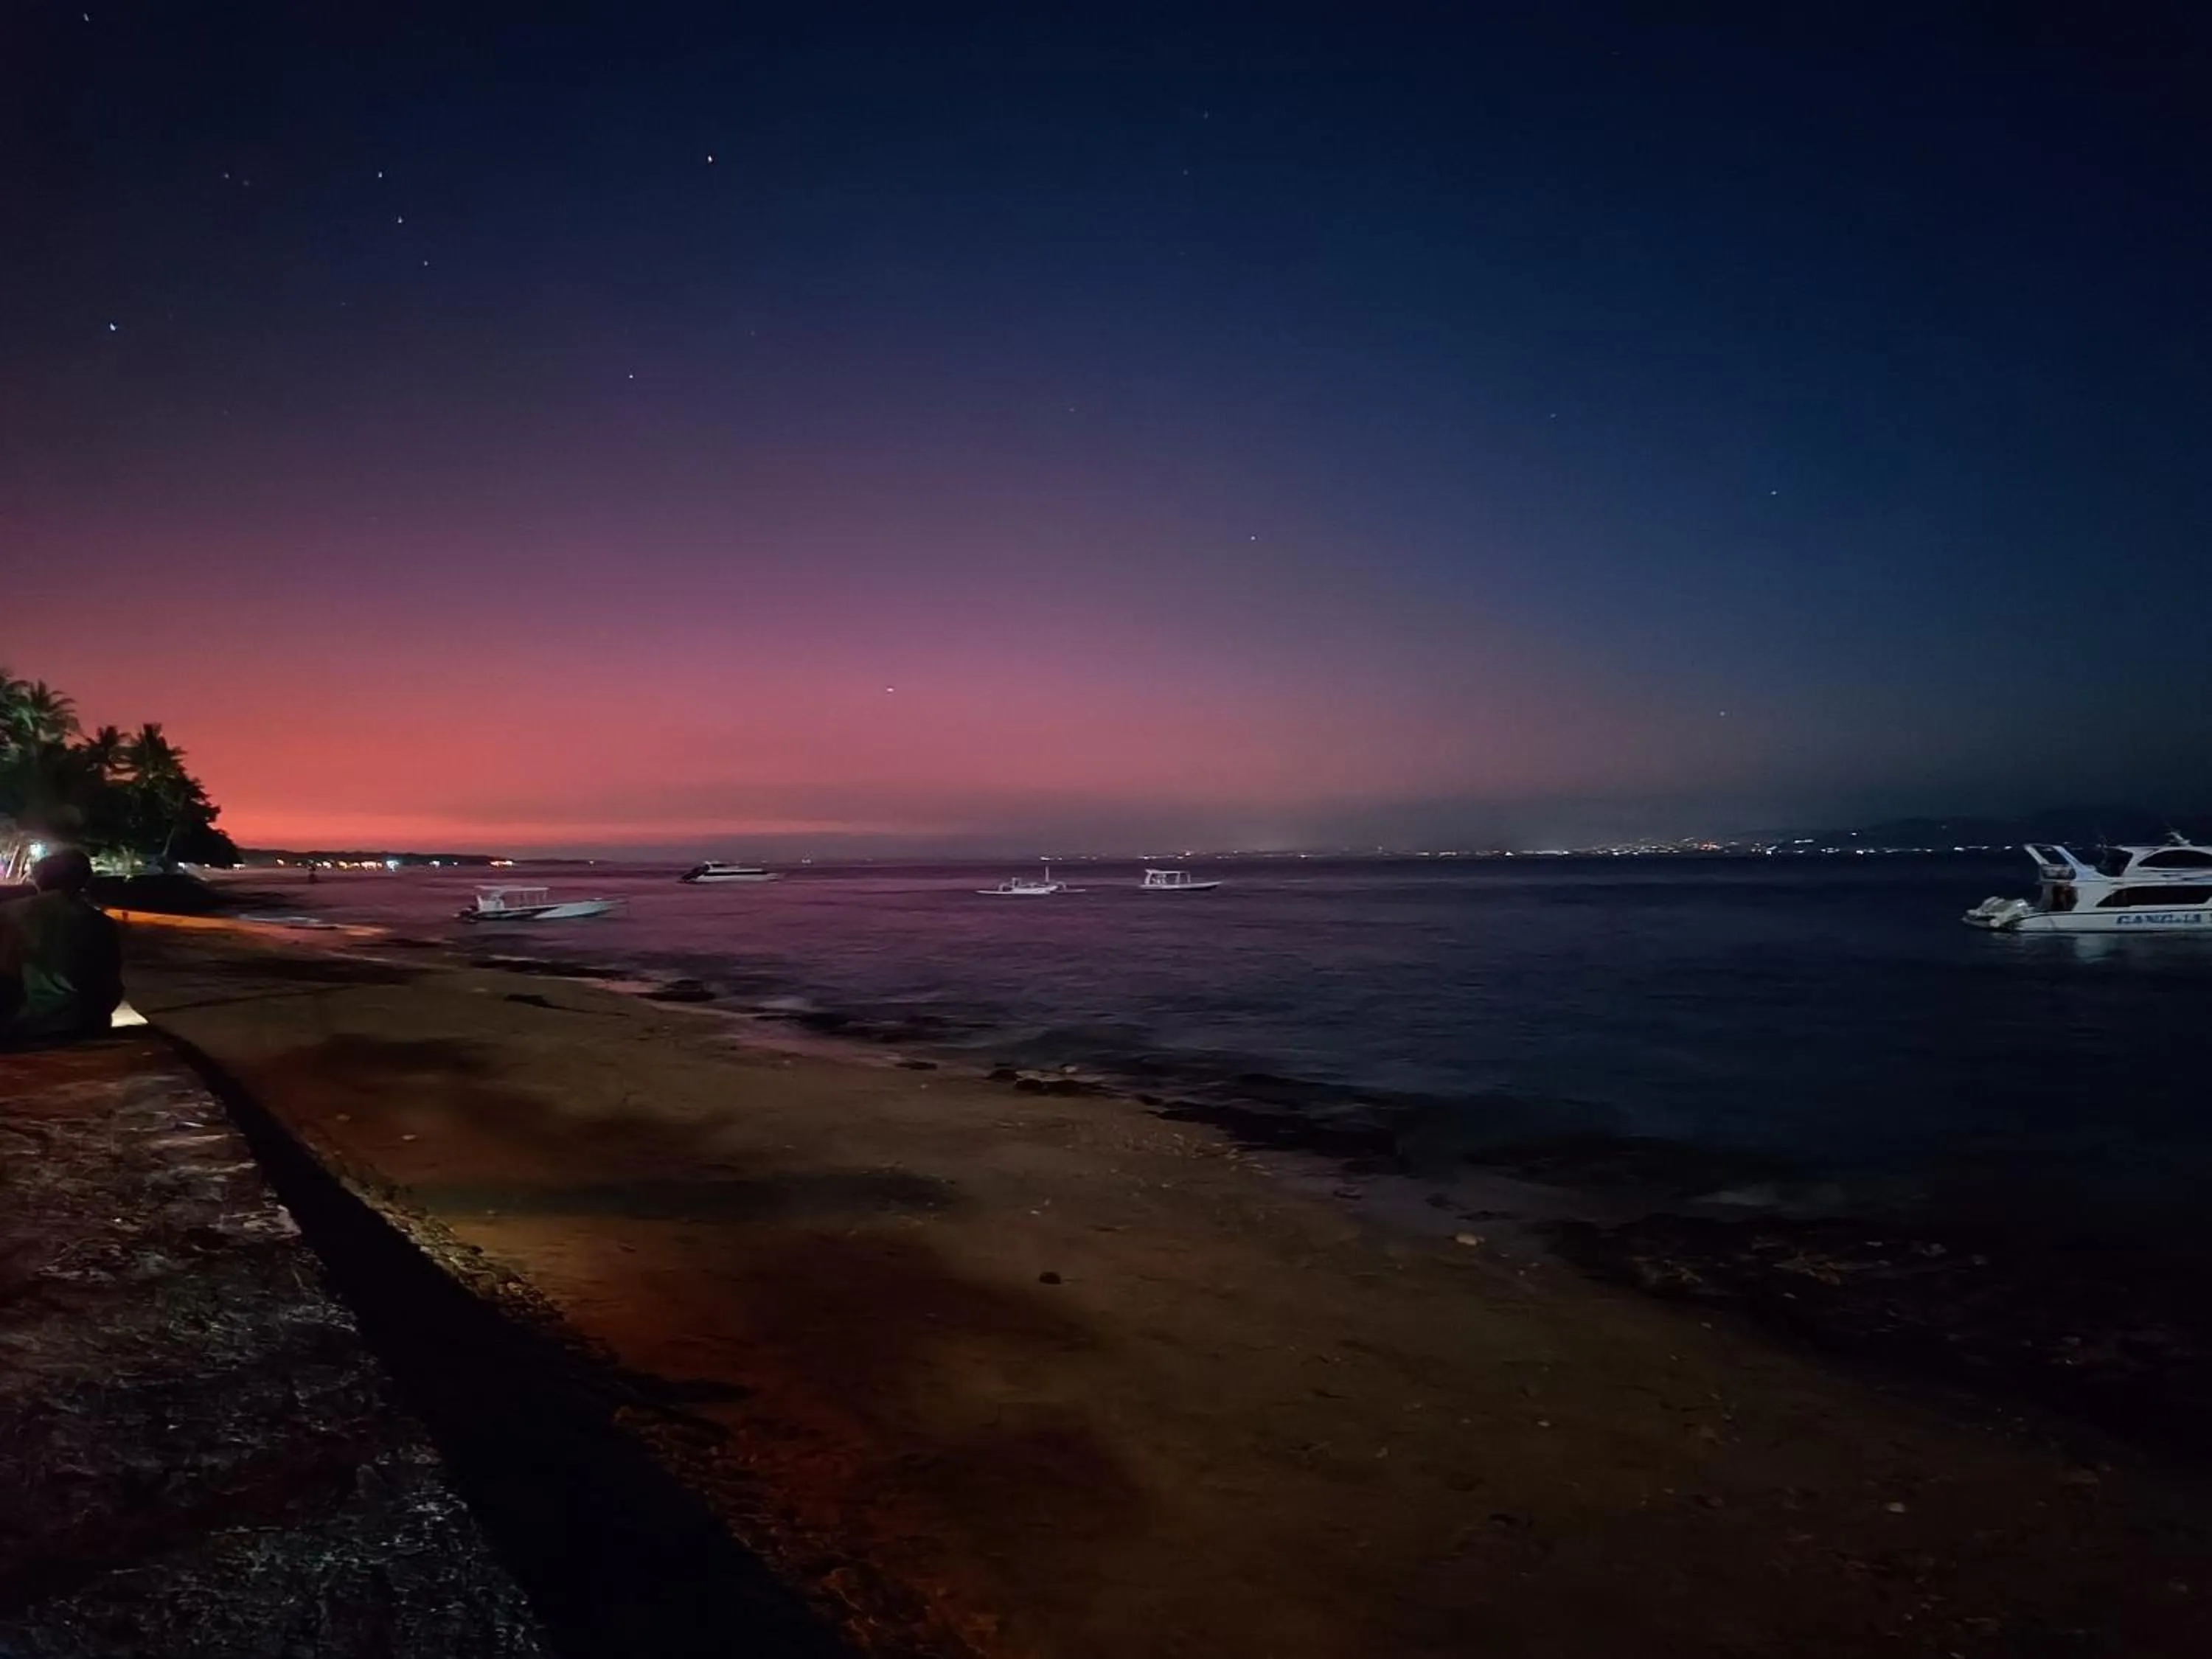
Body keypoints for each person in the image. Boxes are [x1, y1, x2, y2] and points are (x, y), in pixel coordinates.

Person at [0, 848, 124, 1047]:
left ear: (40, 880)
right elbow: (111, 986)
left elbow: (6, 976)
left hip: (21, 1030)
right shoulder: (101, 923)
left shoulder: (10, 914)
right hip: (86, 1028)